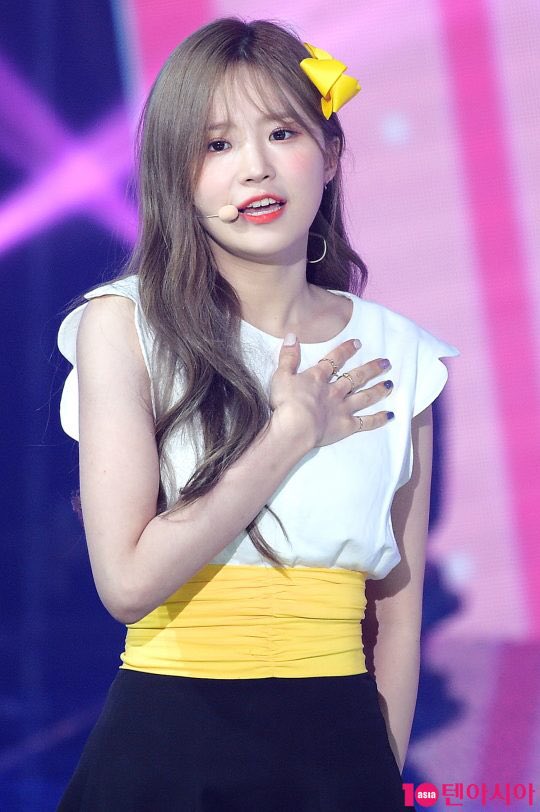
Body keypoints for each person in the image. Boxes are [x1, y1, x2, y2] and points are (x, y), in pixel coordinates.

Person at [55, 17, 458, 812]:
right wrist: (286, 438)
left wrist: (379, 773)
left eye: (282, 132)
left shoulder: (400, 353)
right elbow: (127, 583)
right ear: (178, 172)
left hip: (339, 758)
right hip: (166, 748)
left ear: (330, 153)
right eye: (217, 144)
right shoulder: (125, 325)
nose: (256, 168)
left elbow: (399, 617)